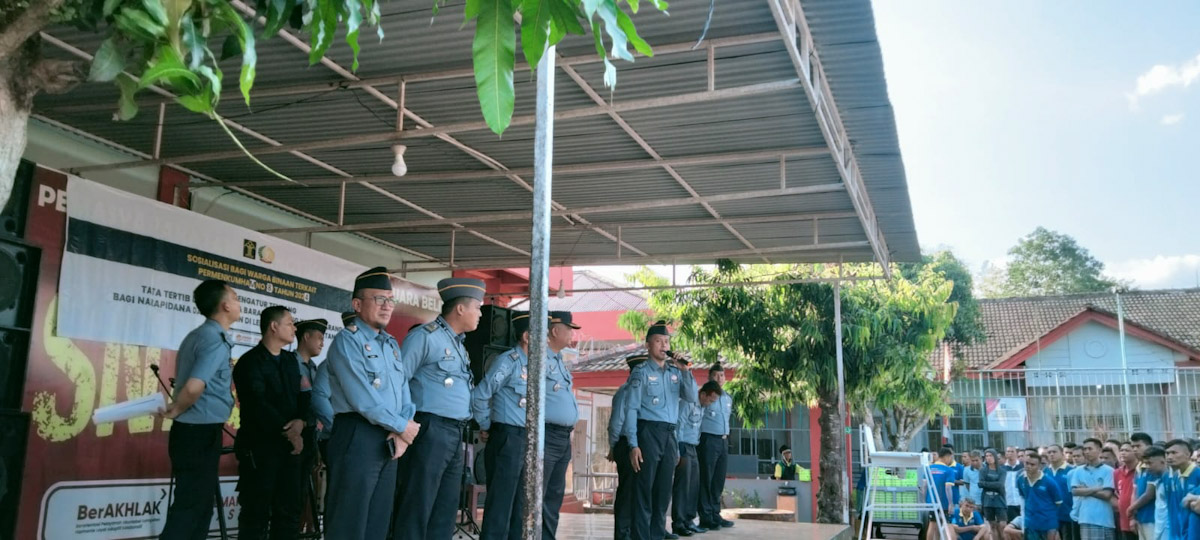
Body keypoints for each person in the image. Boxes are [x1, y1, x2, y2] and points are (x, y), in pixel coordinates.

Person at [324, 268, 420, 539]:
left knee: (378, 522)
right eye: (379, 299)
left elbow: (404, 393)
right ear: (357, 304)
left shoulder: (390, 344)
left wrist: (403, 428)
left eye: (391, 300)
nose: (387, 306)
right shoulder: (348, 342)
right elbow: (363, 399)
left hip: (389, 438)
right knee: (349, 522)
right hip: (358, 435)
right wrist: (403, 426)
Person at [392, 277, 485, 540]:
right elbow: (399, 381)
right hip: (429, 429)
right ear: (460, 309)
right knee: (418, 504)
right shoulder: (425, 337)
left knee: (445, 509)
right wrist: (401, 426)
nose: (479, 313)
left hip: (455, 432)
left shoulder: (458, 344)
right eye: (477, 307)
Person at [161, 279, 239, 539]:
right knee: (192, 508)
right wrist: (177, 408)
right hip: (199, 433)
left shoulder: (198, 335)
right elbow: (195, 386)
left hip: (192, 432)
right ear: (225, 305)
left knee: (196, 506)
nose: (240, 304)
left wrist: (177, 409)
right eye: (236, 298)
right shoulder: (215, 339)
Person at [232, 306, 307, 540]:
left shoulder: (290, 361)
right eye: (290, 323)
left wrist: (301, 422)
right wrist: (290, 433)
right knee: (256, 514)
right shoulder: (249, 362)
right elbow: (257, 405)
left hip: (290, 451)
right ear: (274, 327)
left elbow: (304, 395)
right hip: (260, 450)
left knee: (289, 512)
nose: (294, 328)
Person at [625, 320, 700, 540]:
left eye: (666, 341)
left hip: (669, 435)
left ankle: (657, 534)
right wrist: (633, 444)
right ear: (648, 345)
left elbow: (691, 397)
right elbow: (631, 409)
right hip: (648, 432)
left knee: (663, 491)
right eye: (658, 341)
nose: (663, 345)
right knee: (644, 491)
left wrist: (685, 371)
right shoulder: (640, 372)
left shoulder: (675, 373)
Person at [472, 312, 539, 540]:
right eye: (542, 334)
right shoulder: (508, 361)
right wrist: (486, 425)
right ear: (528, 336)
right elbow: (480, 395)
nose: (547, 340)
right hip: (507, 437)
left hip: (526, 439)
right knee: (500, 506)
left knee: (520, 507)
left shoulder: (535, 367)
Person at [542, 311, 583, 539]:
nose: (572, 334)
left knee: (555, 494)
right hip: (546, 435)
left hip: (562, 437)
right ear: (555, 330)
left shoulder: (559, 361)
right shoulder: (540, 359)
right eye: (569, 329)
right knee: (539, 492)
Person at [672, 380, 722, 537]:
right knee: (682, 487)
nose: (710, 403)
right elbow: (678, 426)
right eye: (710, 399)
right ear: (702, 394)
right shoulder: (688, 403)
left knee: (693, 486)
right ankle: (678, 523)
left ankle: (689, 520)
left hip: (693, 447)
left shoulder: (701, 408)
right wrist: (678, 451)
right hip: (683, 446)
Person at [609, 354, 648, 540]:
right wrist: (614, 446)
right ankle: (623, 534)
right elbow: (616, 422)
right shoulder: (626, 392)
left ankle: (634, 532)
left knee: (638, 492)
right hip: (627, 445)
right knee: (628, 492)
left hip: (642, 445)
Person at [294, 317, 328, 521]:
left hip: (313, 435)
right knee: (293, 493)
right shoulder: (290, 364)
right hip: (296, 434)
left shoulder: (315, 368)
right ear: (306, 337)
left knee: (308, 494)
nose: (322, 343)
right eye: (319, 337)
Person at [697, 363, 735, 531]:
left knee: (718, 479)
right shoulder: (705, 395)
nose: (719, 378)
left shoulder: (727, 398)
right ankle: (705, 516)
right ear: (709, 377)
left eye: (722, 375)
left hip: (723, 441)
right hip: (708, 440)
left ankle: (715, 513)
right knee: (706, 478)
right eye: (716, 375)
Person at [1072, 438, 1117, 540]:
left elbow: (1107, 494)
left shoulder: (1109, 471)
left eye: (1090, 449)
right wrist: (1097, 488)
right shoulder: (1078, 471)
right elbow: (1075, 491)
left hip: (1104, 519)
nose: (1087, 452)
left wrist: (1085, 490)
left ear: (1099, 450)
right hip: (1085, 518)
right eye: (1085, 449)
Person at [1159, 439, 1199, 540]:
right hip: (1178, 531)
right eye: (1167, 453)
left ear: (1188, 454)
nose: (1169, 457)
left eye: (1174, 453)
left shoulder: (1197, 474)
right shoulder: (1174, 476)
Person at [1018, 452, 1063, 540]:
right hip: (1030, 523)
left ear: (1039, 466)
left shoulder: (1049, 482)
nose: (1029, 466)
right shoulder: (1020, 479)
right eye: (1027, 463)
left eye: (1032, 464)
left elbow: (1058, 502)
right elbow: (1023, 497)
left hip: (1048, 523)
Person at [1129, 446, 1165, 540]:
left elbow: (1149, 495)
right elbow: (1135, 493)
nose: (1135, 449)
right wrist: (1133, 515)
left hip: (1152, 519)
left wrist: (1131, 508)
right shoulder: (1139, 468)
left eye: (1138, 445)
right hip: (1141, 517)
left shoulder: (1158, 474)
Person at [1047, 444, 1078, 540]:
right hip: (1050, 517)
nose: (1051, 454)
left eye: (1054, 452)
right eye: (1049, 452)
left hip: (1068, 516)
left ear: (1062, 454)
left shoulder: (1072, 471)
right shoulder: (1044, 472)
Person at [981, 449, 1009, 539]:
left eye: (991, 455)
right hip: (987, 500)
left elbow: (1000, 484)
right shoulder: (983, 470)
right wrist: (994, 484)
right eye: (987, 456)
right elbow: (980, 484)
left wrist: (986, 484)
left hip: (999, 499)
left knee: (1002, 525)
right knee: (992, 525)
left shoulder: (1002, 471)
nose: (989, 458)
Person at [1118, 442, 1141, 540]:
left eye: (1127, 450)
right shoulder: (1117, 472)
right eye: (1121, 450)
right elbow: (1117, 493)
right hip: (1124, 521)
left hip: (1139, 519)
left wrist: (1133, 516)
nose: (1123, 453)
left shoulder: (1140, 470)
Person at [930, 448, 960, 515]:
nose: (950, 460)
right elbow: (948, 488)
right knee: (947, 524)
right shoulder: (948, 470)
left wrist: (924, 500)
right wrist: (950, 503)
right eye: (950, 458)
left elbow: (924, 486)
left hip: (931, 502)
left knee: (933, 523)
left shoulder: (929, 468)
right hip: (944, 502)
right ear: (947, 457)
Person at [1004, 446, 1026, 521]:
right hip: (1008, 502)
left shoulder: (1023, 466)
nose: (1010, 453)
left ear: (1016, 453)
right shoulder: (1002, 468)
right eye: (1008, 451)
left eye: (1012, 451)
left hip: (1021, 501)